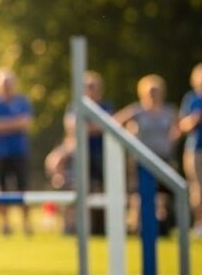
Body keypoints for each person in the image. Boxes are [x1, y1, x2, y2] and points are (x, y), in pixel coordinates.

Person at [115, 74, 180, 235]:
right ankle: (138, 226)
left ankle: (162, 227)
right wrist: (129, 134)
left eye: (156, 91)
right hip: (141, 159)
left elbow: (179, 127)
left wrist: (172, 138)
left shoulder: (168, 111)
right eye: (150, 91)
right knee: (140, 194)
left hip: (163, 158)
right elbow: (114, 122)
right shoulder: (137, 110)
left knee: (163, 195)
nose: (153, 94)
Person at [0, 68, 33, 236]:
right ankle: (5, 225)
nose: (8, 87)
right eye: (4, 84)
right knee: (0, 190)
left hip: (19, 152)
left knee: (22, 188)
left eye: (10, 83)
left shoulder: (22, 102)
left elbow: (26, 123)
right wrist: (14, 124)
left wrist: (2, 125)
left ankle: (26, 224)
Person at [65, 71, 114, 191]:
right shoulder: (76, 106)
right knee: (78, 184)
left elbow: (107, 126)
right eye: (87, 87)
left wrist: (85, 127)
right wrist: (94, 127)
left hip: (101, 152)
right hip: (81, 152)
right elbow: (71, 126)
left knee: (103, 186)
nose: (90, 90)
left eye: (93, 87)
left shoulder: (106, 106)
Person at [178, 63, 202, 237]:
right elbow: (182, 126)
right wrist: (195, 119)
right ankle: (199, 224)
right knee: (197, 189)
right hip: (196, 150)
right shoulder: (191, 99)